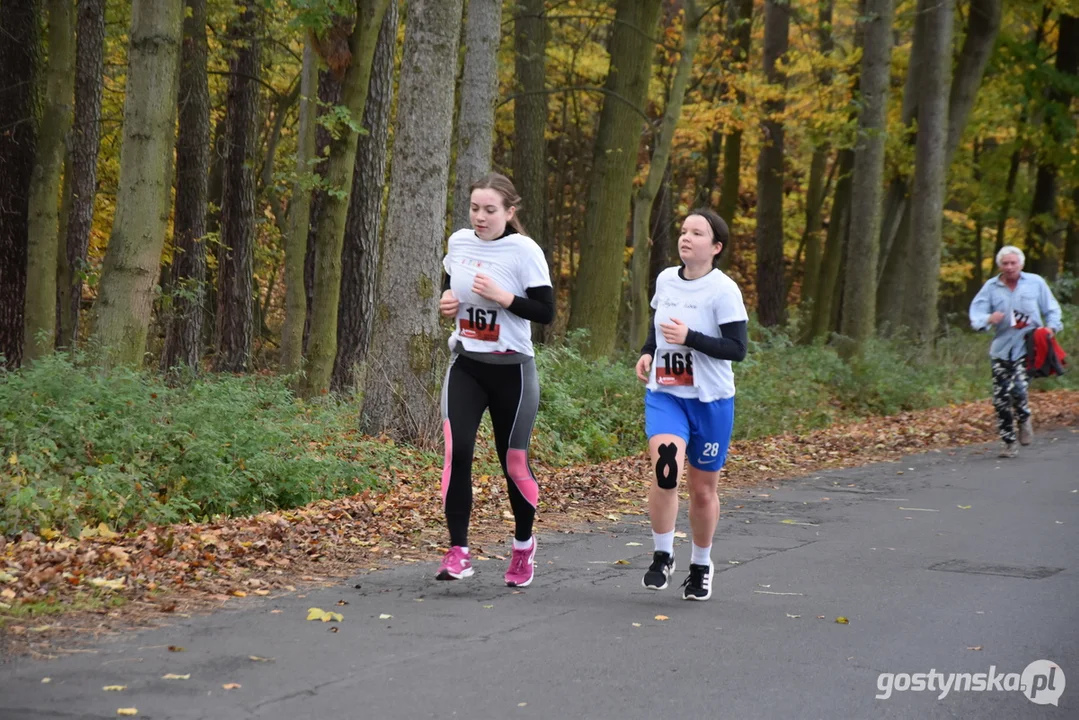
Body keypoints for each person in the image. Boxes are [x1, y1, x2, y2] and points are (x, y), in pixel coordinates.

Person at [436, 173, 554, 587]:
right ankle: (458, 551)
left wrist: (505, 298)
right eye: (475, 208)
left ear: (509, 212)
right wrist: (448, 302)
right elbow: (451, 290)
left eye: (490, 210)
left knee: (513, 461)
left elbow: (545, 311)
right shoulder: (459, 242)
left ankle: (523, 547)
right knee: (458, 452)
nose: (480, 217)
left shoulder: (524, 251)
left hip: (513, 371)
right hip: (467, 364)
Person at [634, 208, 748, 601]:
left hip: (711, 401)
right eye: (683, 231)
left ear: (715, 247)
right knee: (667, 471)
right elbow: (657, 324)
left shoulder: (723, 290)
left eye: (697, 233)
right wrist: (649, 352)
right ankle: (662, 555)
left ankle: (701, 564)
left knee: (702, 491)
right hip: (667, 394)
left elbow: (737, 349)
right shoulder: (666, 279)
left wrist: (690, 338)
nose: (686, 238)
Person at [969, 246, 1063, 458]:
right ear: (999, 265)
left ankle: (1024, 418)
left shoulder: (1035, 282)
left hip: (1029, 345)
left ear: (1021, 264)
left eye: (1013, 263)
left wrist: (1052, 327)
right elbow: (976, 314)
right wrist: (987, 319)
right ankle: (1009, 443)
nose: (1009, 267)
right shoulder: (991, 287)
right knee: (1001, 398)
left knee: (1018, 388)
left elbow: (1052, 308)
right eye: (1005, 263)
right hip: (1001, 348)